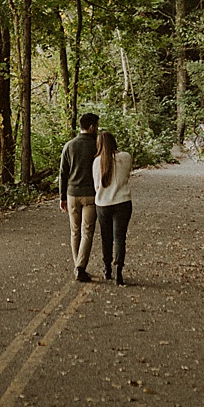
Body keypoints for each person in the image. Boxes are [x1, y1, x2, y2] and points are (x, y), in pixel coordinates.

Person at [57, 112, 100, 282]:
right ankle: (80, 267)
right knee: (87, 231)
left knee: (75, 232)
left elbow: (63, 173)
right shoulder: (97, 145)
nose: (97, 129)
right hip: (90, 194)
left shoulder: (69, 145)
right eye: (96, 126)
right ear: (91, 127)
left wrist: (62, 197)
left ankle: (78, 265)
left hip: (72, 194)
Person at [93, 129, 134, 285]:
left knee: (106, 237)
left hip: (103, 204)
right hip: (123, 202)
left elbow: (97, 185)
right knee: (120, 238)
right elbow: (127, 175)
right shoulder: (125, 157)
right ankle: (118, 270)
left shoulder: (96, 162)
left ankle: (106, 268)